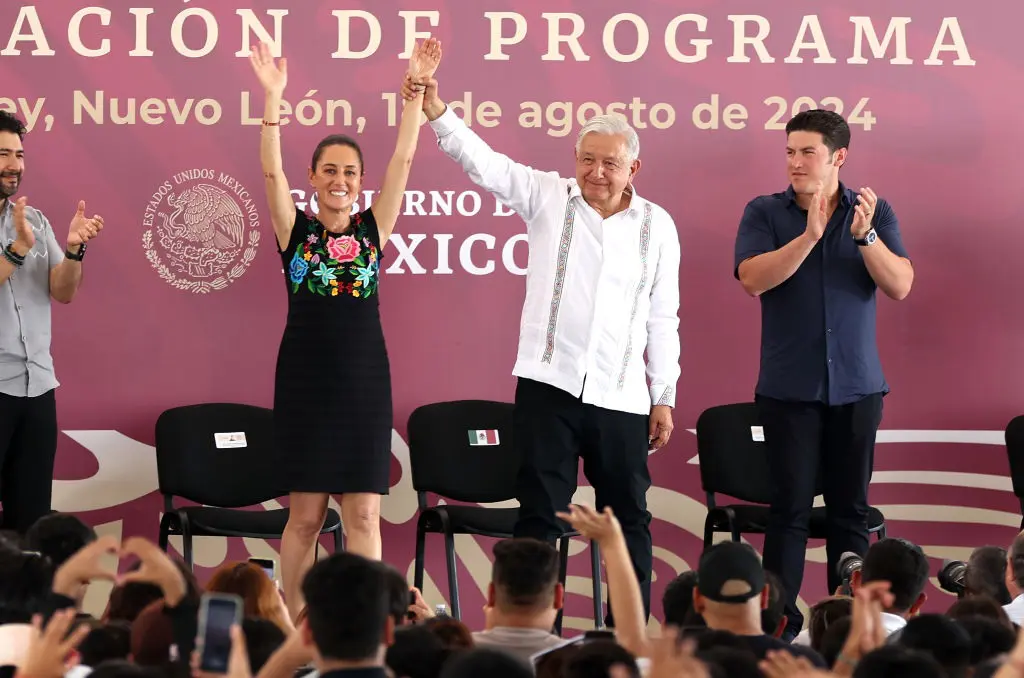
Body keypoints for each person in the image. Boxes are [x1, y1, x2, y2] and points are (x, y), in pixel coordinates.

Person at [401, 71, 681, 623]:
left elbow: (662, 316)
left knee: (628, 519)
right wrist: (437, 110)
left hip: (622, 396)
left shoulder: (659, 226)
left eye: (609, 163)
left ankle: (625, 635)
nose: (595, 173)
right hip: (548, 387)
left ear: (634, 169)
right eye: (587, 160)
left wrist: (663, 393)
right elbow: (485, 163)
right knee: (540, 518)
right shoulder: (549, 196)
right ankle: (535, 636)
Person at [248, 37, 442, 621]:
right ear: (314, 175)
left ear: (360, 181)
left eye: (350, 171)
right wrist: (274, 100)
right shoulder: (295, 231)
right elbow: (269, 168)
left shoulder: (372, 229)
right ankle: (297, 626)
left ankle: (363, 624)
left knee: (363, 518)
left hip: (363, 385)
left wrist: (413, 92)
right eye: (329, 169)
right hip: (306, 385)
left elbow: (403, 161)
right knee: (304, 519)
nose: (340, 179)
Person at [733, 109, 913, 639]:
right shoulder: (765, 211)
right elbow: (752, 279)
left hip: (857, 387)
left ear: (838, 157)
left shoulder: (872, 212)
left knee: (849, 512)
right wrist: (809, 236)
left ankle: (848, 628)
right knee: (787, 512)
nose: (794, 162)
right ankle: (779, 629)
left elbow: (901, 283)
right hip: (789, 389)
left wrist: (865, 238)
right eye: (789, 151)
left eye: (806, 152)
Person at [0, 111, 104, 534]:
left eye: (19, 155)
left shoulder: (35, 221)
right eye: (3, 154)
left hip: (37, 387)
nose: (15, 165)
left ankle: (24, 601)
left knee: (32, 523)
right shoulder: (25, 234)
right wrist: (14, 252)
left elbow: (63, 291)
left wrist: (75, 250)